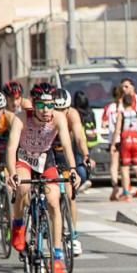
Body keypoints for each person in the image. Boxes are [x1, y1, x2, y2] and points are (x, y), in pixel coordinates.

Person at [5, 83, 80, 273]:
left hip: (45, 159)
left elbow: (66, 145)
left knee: (53, 201)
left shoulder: (59, 118)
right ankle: (18, 224)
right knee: (23, 187)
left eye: (50, 106)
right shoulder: (21, 118)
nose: (46, 110)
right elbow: (11, 148)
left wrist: (73, 170)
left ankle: (56, 257)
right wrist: (12, 173)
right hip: (24, 158)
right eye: (41, 106)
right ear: (34, 106)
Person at [52, 88, 95, 255]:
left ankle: (73, 236)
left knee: (70, 194)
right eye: (57, 109)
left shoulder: (73, 115)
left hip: (65, 152)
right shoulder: (47, 115)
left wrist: (85, 154)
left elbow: (79, 136)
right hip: (49, 152)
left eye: (64, 109)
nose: (61, 113)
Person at [110, 88, 137, 202]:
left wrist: (114, 144)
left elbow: (117, 129)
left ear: (123, 103)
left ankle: (126, 193)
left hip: (126, 140)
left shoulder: (122, 114)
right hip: (136, 139)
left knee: (124, 168)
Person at [72, 89, 99, 192]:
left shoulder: (76, 113)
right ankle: (86, 178)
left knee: (79, 162)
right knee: (86, 160)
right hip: (91, 140)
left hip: (80, 140)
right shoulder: (91, 112)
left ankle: (83, 180)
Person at [103, 86, 124, 200]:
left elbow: (104, 122)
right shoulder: (125, 106)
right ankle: (126, 188)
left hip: (113, 139)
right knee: (124, 166)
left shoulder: (110, 107)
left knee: (114, 165)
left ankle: (115, 186)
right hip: (124, 138)